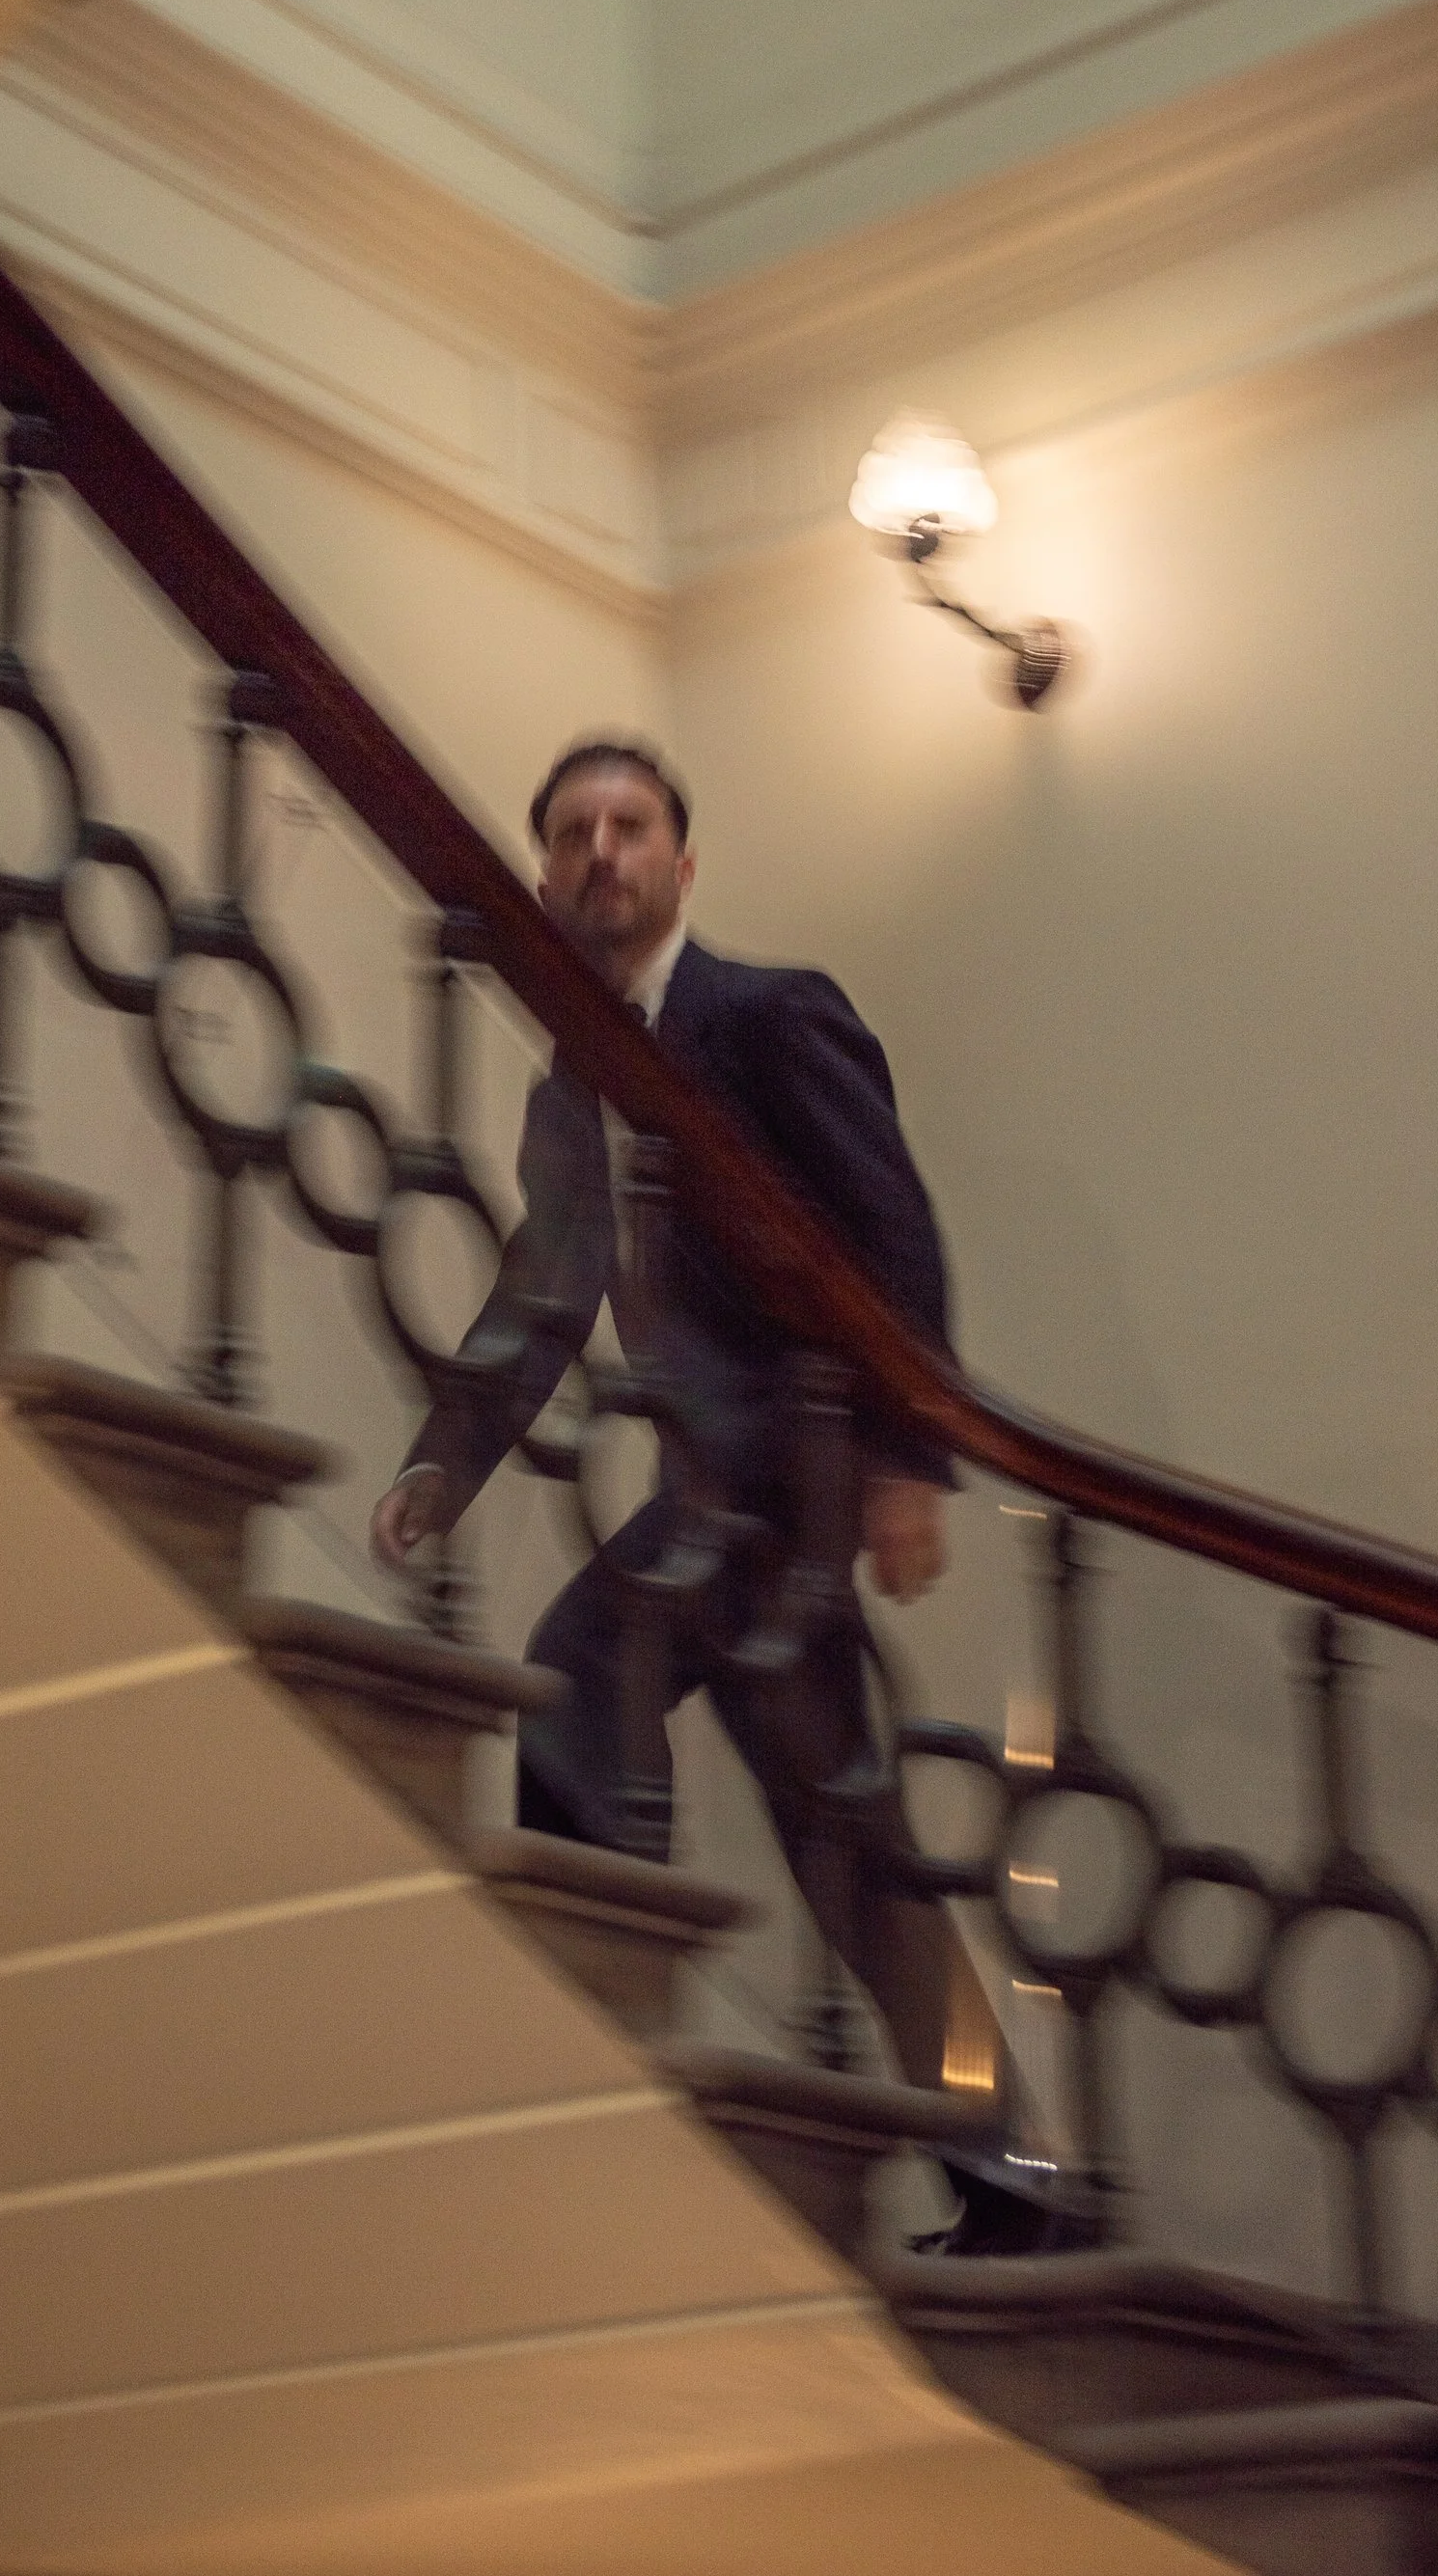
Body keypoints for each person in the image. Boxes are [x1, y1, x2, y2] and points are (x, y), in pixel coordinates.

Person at [370, 735, 1083, 2251]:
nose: (602, 854)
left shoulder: (767, 1016)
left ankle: (627, 2049)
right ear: (548, 877)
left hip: (794, 1474)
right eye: (572, 835)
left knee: (575, 1670)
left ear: (683, 867)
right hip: (717, 1489)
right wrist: (445, 1462)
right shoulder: (572, 1090)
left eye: (631, 828)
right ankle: (1018, 2179)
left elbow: (892, 1233)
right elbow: (542, 1300)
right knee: (851, 1844)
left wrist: (907, 1461)